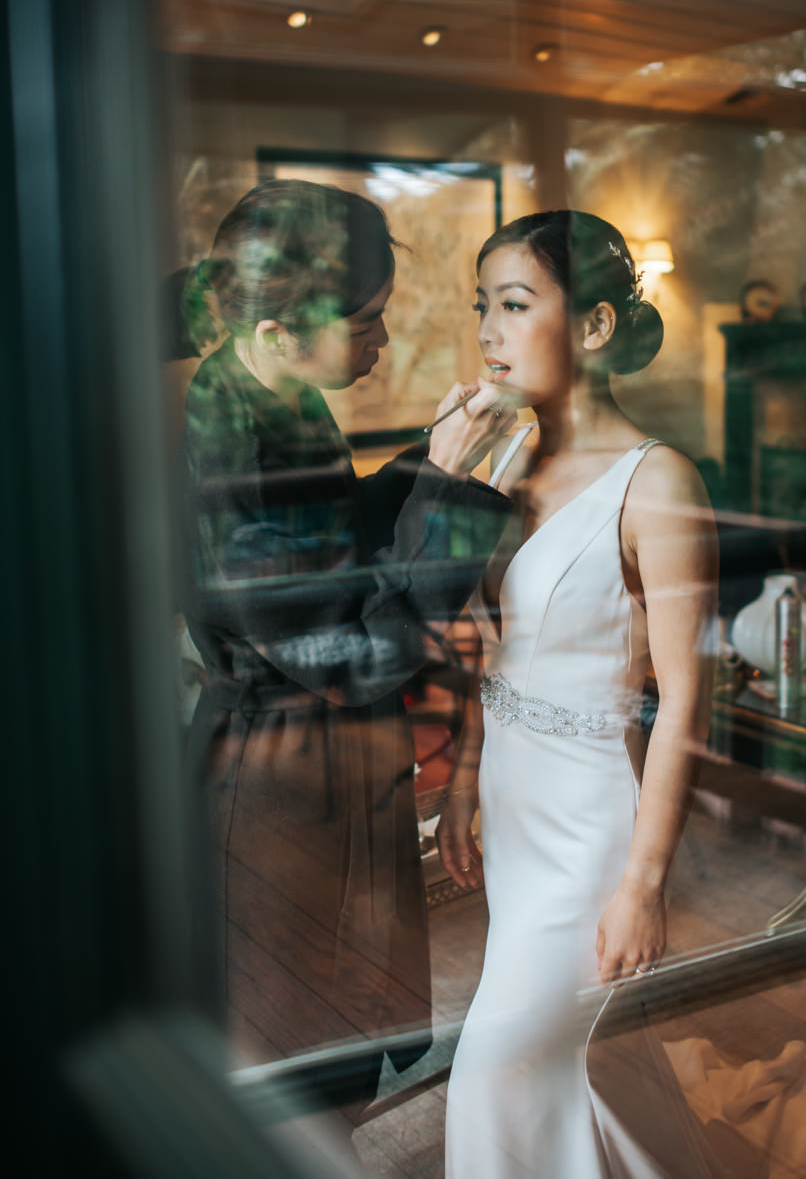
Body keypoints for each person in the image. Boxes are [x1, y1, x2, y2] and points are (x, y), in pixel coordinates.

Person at [437, 211, 806, 1178]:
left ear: (595, 326)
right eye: (481, 305)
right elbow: (486, 652)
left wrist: (643, 885)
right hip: (513, 806)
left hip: (589, 822)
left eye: (516, 304)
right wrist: (461, 782)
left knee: (497, 1066)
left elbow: (688, 704)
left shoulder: (656, 483)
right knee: (565, 1074)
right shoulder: (503, 459)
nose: (488, 330)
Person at [178, 179, 514, 1104]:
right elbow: (355, 652)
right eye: (364, 323)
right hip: (278, 782)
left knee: (333, 1037)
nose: (384, 340)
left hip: (315, 755)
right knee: (297, 1064)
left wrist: (429, 457)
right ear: (277, 331)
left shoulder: (265, 390)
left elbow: (333, 538)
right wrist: (443, 484)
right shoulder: (233, 451)